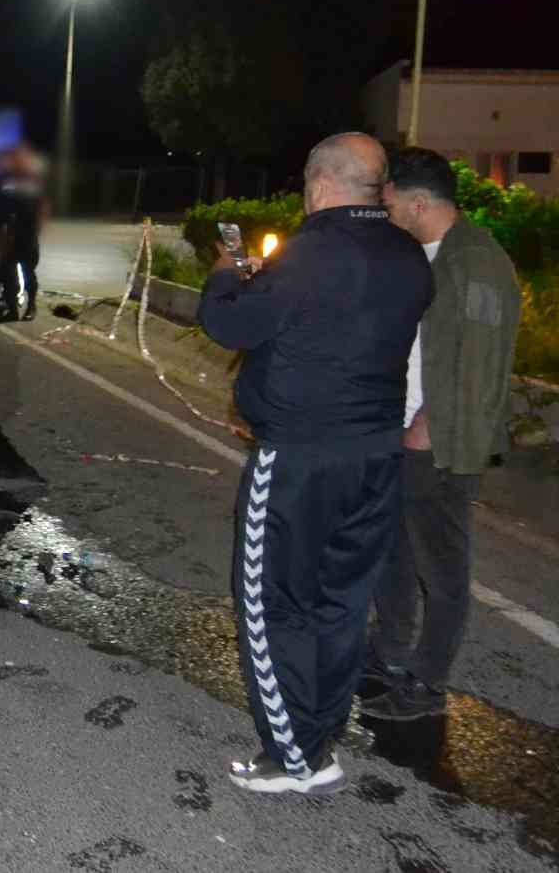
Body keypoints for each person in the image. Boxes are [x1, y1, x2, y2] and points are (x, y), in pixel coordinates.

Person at [197, 132, 433, 795]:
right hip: (375, 457)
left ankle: (289, 755)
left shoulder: (311, 252)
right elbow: (336, 319)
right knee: (340, 604)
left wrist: (225, 271)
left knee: (274, 605)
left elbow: (228, 323)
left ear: (319, 183)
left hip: (299, 459)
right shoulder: (408, 256)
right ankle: (319, 739)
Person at [360, 148, 521, 721]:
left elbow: (477, 362)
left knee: (443, 565)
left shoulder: (474, 262)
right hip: (402, 431)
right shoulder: (427, 253)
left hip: (440, 443)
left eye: (390, 200)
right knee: (394, 549)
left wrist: (427, 426)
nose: (384, 207)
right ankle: (390, 651)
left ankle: (426, 685)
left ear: (419, 202)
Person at [0, 145, 49, 320]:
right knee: (5, 272)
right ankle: (12, 310)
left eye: (22, 158)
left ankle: (31, 306)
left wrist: (38, 228)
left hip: (28, 232)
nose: (19, 161)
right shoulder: (1, 178)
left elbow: (43, 205)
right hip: (6, 232)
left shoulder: (35, 179)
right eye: (15, 158)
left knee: (28, 270)